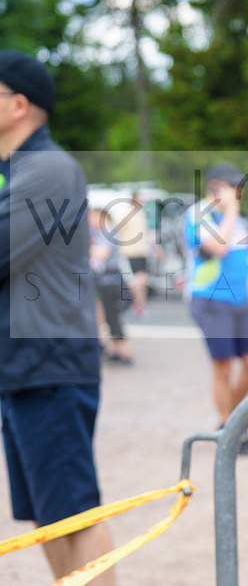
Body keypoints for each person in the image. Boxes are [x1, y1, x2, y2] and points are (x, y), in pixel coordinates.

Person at [0, 50, 116, 584]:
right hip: (23, 366)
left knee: (75, 511)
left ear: (19, 104)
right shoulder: (16, 171)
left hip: (48, 364)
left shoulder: (48, 169)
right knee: (48, 518)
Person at [183, 162, 248, 455]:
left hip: (240, 298)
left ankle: (231, 419)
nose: (238, 193)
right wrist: (231, 211)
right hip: (211, 297)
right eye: (233, 187)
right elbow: (218, 247)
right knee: (224, 366)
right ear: (215, 186)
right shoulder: (199, 213)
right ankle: (231, 427)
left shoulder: (237, 216)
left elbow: (238, 248)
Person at [89, 207, 134, 366]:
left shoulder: (108, 232)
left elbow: (103, 254)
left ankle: (124, 353)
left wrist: (87, 247)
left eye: (92, 218)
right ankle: (117, 351)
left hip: (111, 282)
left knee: (113, 318)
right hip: (106, 281)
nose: (90, 222)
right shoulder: (102, 233)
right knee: (109, 318)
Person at [113, 193, 154, 318]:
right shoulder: (126, 213)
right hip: (129, 252)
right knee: (136, 281)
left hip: (142, 252)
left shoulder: (141, 214)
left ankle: (140, 306)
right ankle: (136, 305)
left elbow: (146, 232)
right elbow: (116, 228)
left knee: (143, 281)